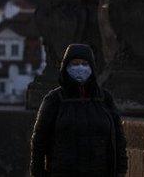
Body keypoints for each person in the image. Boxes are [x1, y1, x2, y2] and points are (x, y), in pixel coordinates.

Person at [30, 44, 127, 177]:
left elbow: (118, 138)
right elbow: (39, 141)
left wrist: (121, 170)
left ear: (92, 67)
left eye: (84, 63)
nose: (80, 68)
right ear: (66, 67)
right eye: (75, 64)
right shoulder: (54, 99)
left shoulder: (104, 99)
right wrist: (38, 172)